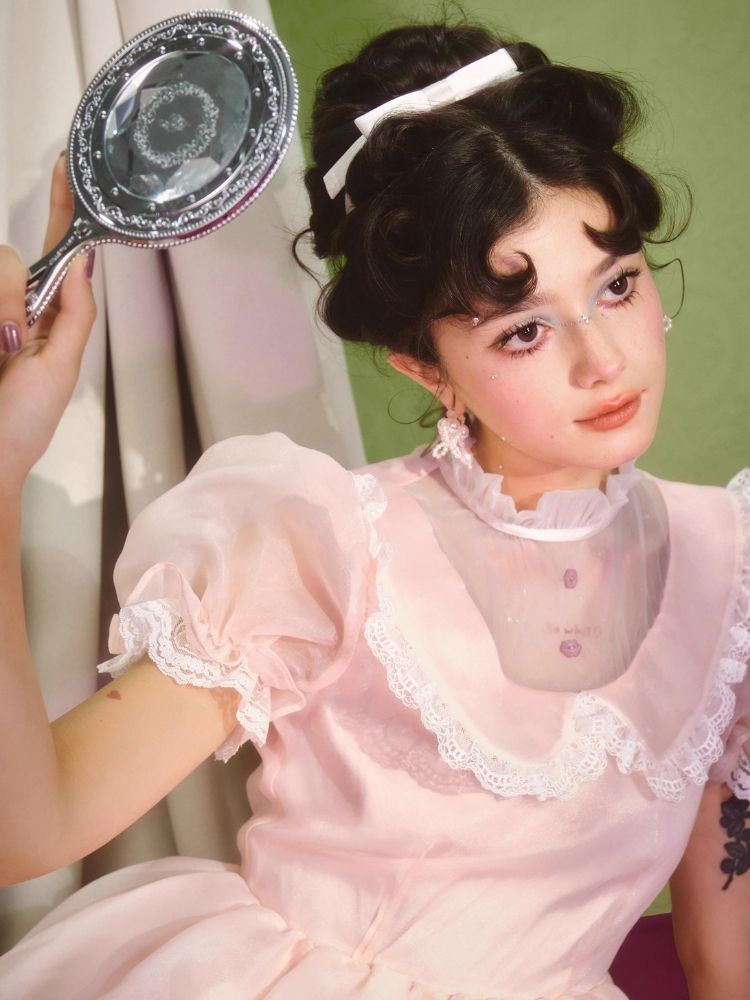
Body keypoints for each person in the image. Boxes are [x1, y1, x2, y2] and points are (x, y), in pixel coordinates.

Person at [0, 19, 748, 1000]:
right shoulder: (322, 545)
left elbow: (721, 957)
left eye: (617, 286)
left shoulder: (728, 568)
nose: (604, 361)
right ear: (425, 368)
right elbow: (32, 827)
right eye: (523, 331)